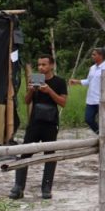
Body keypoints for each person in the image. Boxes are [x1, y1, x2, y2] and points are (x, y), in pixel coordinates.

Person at [9, 54, 68, 200]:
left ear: (52, 65)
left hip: (50, 124)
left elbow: (63, 102)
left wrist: (49, 91)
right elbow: (26, 101)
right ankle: (18, 187)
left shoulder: (59, 82)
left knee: (49, 155)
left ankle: (46, 188)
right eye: (39, 65)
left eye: (44, 65)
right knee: (25, 153)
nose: (41, 68)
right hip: (34, 123)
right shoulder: (34, 80)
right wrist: (31, 90)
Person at [70, 47, 105, 134]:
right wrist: (77, 81)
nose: (92, 56)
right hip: (91, 99)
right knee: (88, 119)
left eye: (94, 54)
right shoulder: (92, 68)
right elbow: (89, 81)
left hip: (102, 100)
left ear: (101, 56)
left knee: (103, 121)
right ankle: (100, 134)